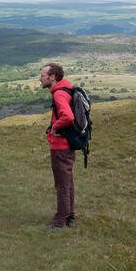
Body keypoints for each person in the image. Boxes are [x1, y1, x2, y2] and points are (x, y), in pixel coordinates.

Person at [39, 63, 76, 228]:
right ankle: (69, 216)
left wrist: (54, 127)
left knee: (61, 183)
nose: (40, 78)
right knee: (67, 181)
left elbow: (68, 117)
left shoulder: (59, 94)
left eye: (43, 75)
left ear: (52, 77)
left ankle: (60, 220)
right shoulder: (66, 88)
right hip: (67, 144)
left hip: (61, 145)